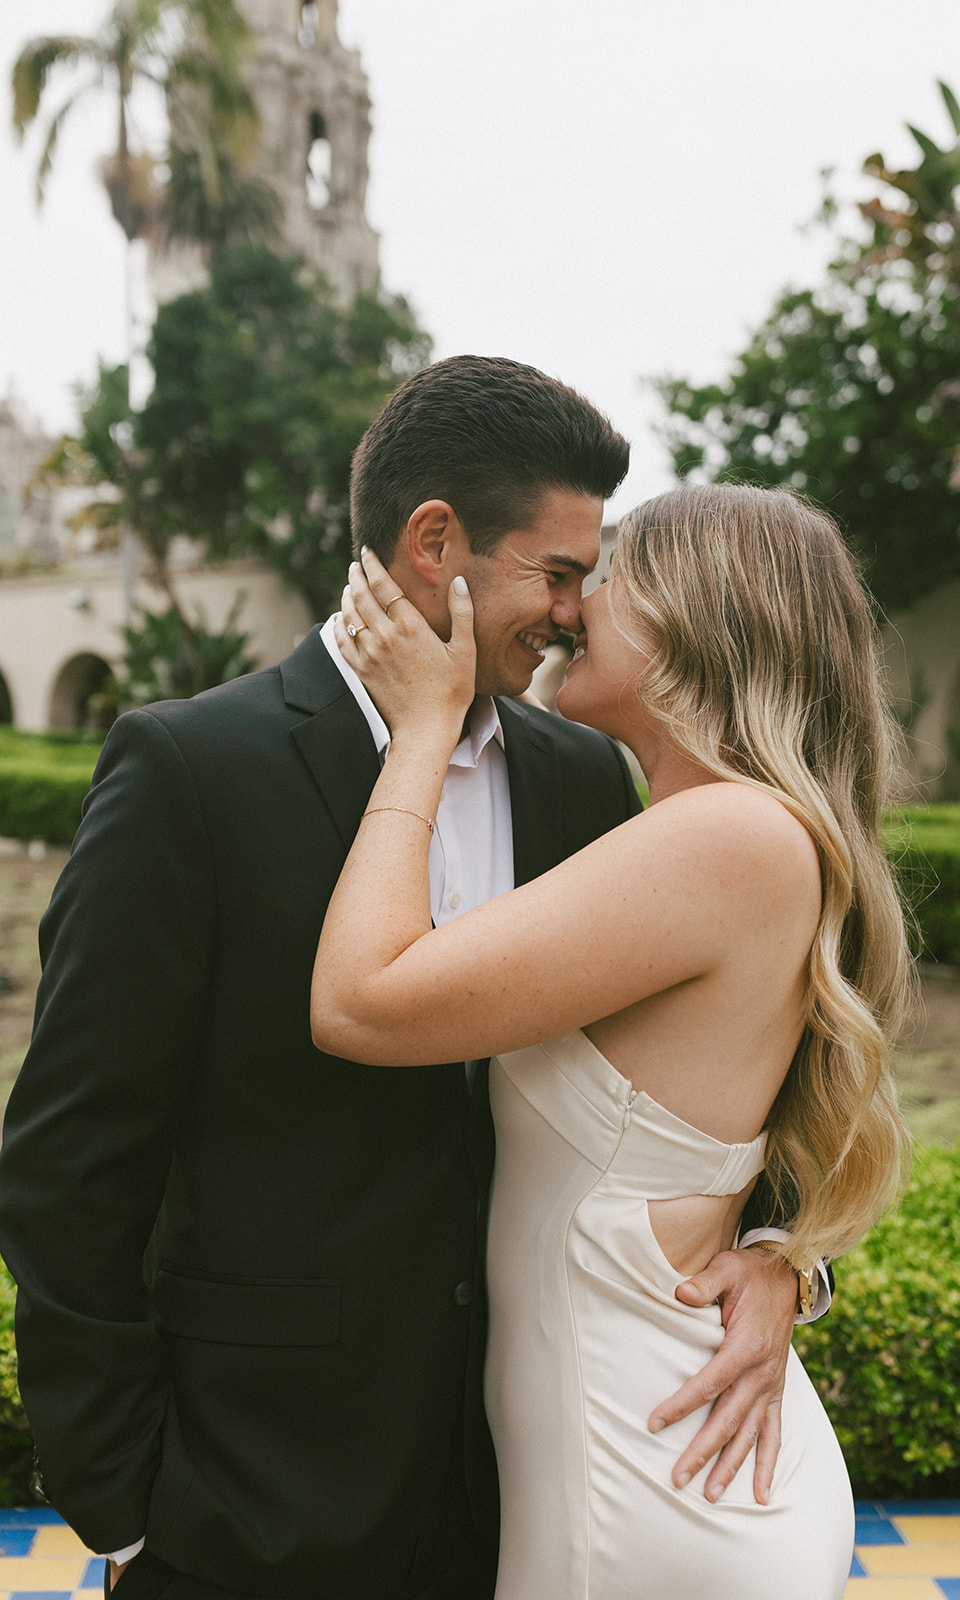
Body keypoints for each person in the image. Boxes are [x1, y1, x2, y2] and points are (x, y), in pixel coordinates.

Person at [0, 360, 809, 1600]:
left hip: (525, 1482)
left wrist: (774, 1246)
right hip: (247, 1502)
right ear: (437, 542)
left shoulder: (582, 777)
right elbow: (70, 1155)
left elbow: (734, 1040)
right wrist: (122, 1503)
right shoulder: (191, 770)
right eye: (558, 571)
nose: (575, 611)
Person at [311, 481, 913, 1600]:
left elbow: (360, 1001)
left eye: (610, 577)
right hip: (640, 1455)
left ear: (697, 618)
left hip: (644, 1485)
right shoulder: (711, 834)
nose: (574, 606)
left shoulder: (726, 837)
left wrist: (424, 732)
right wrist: (786, 1263)